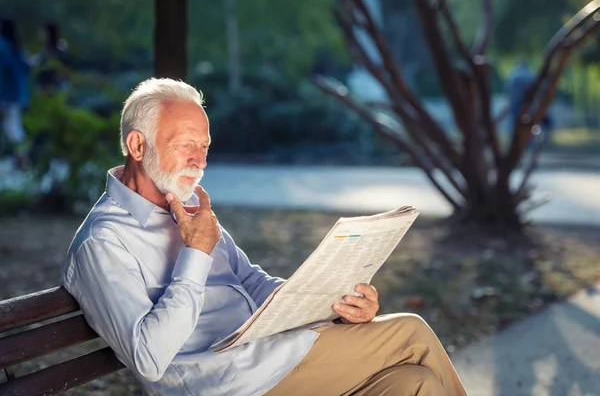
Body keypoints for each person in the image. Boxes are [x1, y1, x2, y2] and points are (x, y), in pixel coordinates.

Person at [61, 78, 468, 396]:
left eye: (204, 146)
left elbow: (252, 282)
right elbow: (149, 360)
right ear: (137, 144)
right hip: (224, 382)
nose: (200, 160)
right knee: (410, 333)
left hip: (270, 360)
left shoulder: (185, 208)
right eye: (186, 144)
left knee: (419, 387)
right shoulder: (103, 242)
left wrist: (333, 302)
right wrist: (196, 253)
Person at [0, 18, 30, 165]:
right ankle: (21, 158)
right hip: (17, 93)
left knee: (12, 127)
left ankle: (23, 157)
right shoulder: (16, 47)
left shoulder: (3, 46)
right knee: (11, 126)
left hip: (7, 94)